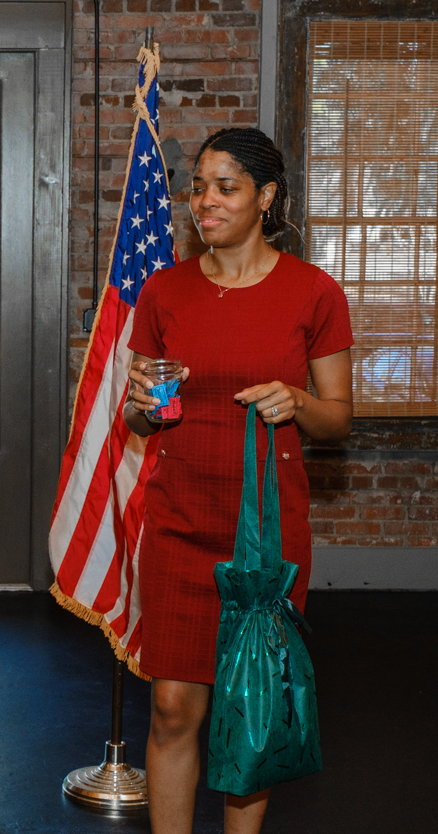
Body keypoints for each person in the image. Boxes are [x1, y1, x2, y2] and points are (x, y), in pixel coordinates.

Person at [123, 128, 354, 834]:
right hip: (178, 523)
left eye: (225, 187)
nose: (205, 202)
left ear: (266, 197)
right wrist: (142, 407)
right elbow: (138, 417)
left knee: (250, 709)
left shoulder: (313, 292)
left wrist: (299, 401)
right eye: (198, 187)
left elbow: (337, 419)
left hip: (265, 538)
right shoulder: (163, 291)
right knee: (171, 708)